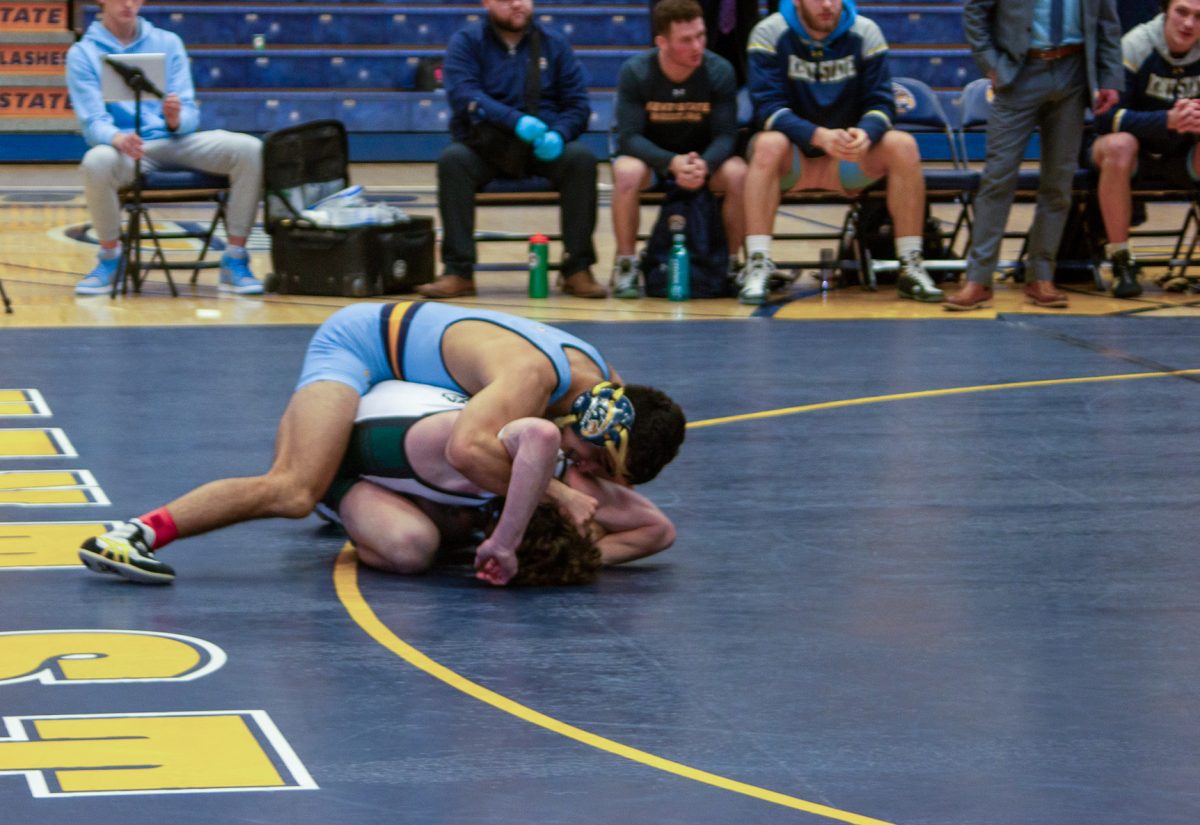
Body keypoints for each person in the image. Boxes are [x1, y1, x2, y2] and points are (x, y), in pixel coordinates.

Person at [77, 301, 686, 586]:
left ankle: (358, 495)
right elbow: (467, 450)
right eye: (594, 461)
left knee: (428, 526)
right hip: (359, 346)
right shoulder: (533, 381)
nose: (586, 471)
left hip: (407, 384)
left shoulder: (600, 390)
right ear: (600, 423)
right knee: (292, 489)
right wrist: (558, 495)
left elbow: (616, 494)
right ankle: (134, 532)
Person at [318, 381, 676, 584]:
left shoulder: (560, 459)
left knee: (439, 532)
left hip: (375, 413)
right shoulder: (540, 440)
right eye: (599, 462)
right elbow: (539, 435)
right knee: (414, 546)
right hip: (333, 461)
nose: (590, 471)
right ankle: (335, 501)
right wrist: (505, 543)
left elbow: (658, 529)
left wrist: (573, 561)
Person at [737, 0, 943, 306]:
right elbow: (767, 108)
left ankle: (911, 264)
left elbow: (883, 103)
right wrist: (817, 136)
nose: (828, 5)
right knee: (767, 143)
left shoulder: (866, 32)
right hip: (793, 157)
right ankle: (757, 263)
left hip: (848, 157)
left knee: (903, 145)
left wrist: (866, 132)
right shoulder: (769, 32)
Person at [65, 0, 263, 296]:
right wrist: (118, 138)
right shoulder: (83, 53)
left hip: (176, 142)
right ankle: (110, 258)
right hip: (128, 151)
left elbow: (189, 114)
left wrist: (175, 119)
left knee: (249, 149)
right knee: (96, 161)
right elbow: (93, 122)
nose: (128, 3)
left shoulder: (168, 43)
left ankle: (234, 259)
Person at [418, 0, 606, 300]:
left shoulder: (554, 43)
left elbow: (578, 105)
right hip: (487, 146)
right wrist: (514, 120)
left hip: (541, 147)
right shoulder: (467, 42)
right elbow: (463, 94)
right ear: (487, 3)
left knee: (581, 159)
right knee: (453, 161)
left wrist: (560, 133)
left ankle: (577, 268)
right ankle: (458, 271)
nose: (517, 4)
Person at [947, 0, 1124, 310]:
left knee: (1059, 183)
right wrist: (990, 63)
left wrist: (1109, 77)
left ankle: (1041, 274)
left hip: (1073, 71)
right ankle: (978, 278)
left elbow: (1106, 22)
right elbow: (975, 10)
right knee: (997, 179)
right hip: (1018, 71)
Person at [613, 0, 747, 298]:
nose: (698, 45)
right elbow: (629, 138)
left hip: (703, 160)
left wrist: (706, 165)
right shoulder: (636, 72)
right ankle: (626, 264)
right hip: (655, 160)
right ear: (662, 42)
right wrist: (671, 162)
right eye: (686, 40)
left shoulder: (719, 70)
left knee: (738, 173)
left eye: (700, 35)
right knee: (625, 172)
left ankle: (731, 264)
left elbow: (726, 136)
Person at [1090, 0, 1200, 297]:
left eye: (1198, 17)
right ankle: (1121, 258)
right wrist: (1167, 119)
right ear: (1165, 11)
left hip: (1180, 154)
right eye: (1182, 12)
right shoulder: (1135, 45)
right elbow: (1105, 119)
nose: (1189, 24)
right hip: (1128, 154)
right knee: (1120, 144)